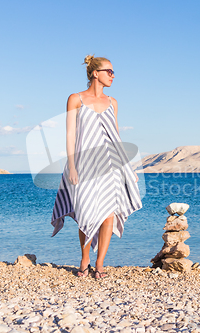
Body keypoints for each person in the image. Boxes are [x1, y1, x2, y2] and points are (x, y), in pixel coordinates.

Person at [50, 54, 143, 279]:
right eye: (108, 71)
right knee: (85, 210)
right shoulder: (75, 99)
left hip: (111, 165)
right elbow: (70, 134)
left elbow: (116, 137)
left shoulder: (113, 102)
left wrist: (128, 167)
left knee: (109, 213)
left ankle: (100, 264)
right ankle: (85, 260)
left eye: (113, 72)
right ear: (95, 73)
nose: (113, 75)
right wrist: (71, 166)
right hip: (84, 164)